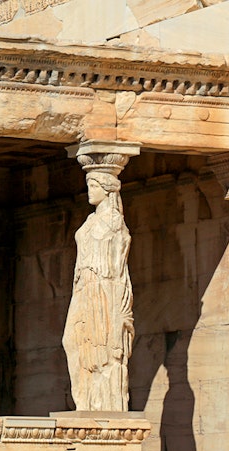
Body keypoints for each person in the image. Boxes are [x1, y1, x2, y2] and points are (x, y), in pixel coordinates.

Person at [62, 170, 133, 412]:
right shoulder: (91, 220)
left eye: (94, 185)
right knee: (71, 341)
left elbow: (118, 266)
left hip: (104, 289)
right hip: (84, 286)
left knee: (102, 350)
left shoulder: (114, 222)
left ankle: (103, 406)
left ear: (107, 190)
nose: (90, 190)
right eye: (89, 185)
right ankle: (85, 402)